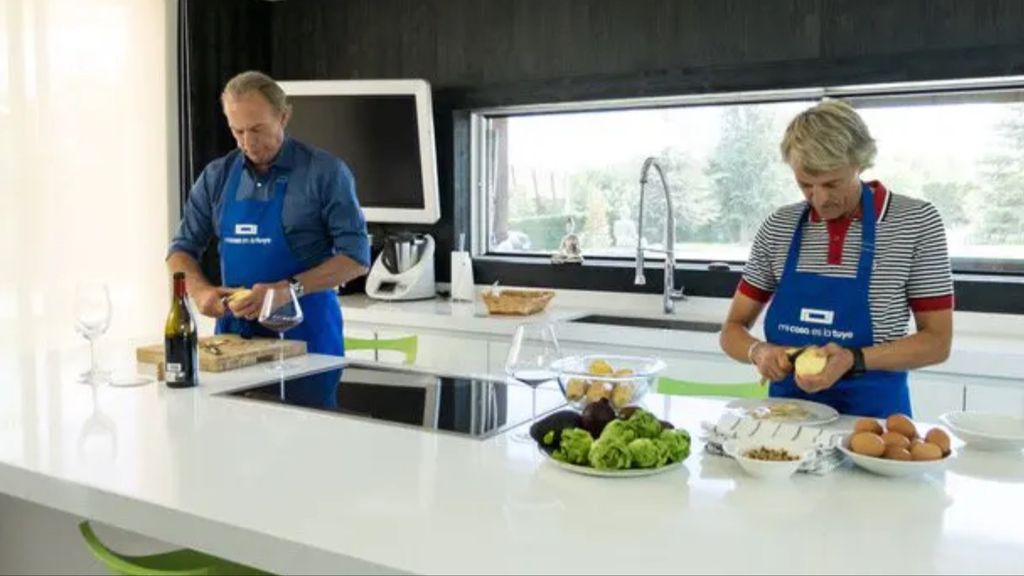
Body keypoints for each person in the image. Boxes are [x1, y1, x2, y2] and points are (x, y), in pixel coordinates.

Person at [719, 99, 954, 418]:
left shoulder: (915, 222)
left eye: (832, 183)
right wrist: (757, 351)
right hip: (787, 419)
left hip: (874, 422)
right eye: (805, 185)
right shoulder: (779, 227)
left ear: (859, 163)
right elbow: (732, 330)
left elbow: (937, 342)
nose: (820, 199)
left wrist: (853, 359)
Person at [167, 71, 370, 400]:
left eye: (257, 129)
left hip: (309, 346)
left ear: (284, 116)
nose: (248, 143)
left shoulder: (325, 173)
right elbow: (180, 250)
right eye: (238, 131)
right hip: (235, 347)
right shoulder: (217, 177)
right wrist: (199, 290)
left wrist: (287, 290)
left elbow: (357, 257)